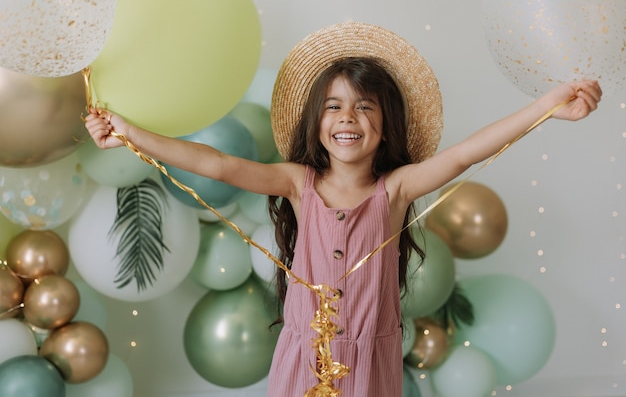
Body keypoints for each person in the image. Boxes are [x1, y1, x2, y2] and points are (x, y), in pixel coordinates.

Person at [84, 22, 602, 397]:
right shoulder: (296, 183)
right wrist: (131, 134)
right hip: (301, 361)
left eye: (364, 106)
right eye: (333, 105)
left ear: (386, 123)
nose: (347, 118)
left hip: (370, 367)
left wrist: (549, 105)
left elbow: (468, 152)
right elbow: (217, 164)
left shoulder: (395, 191)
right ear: (315, 121)